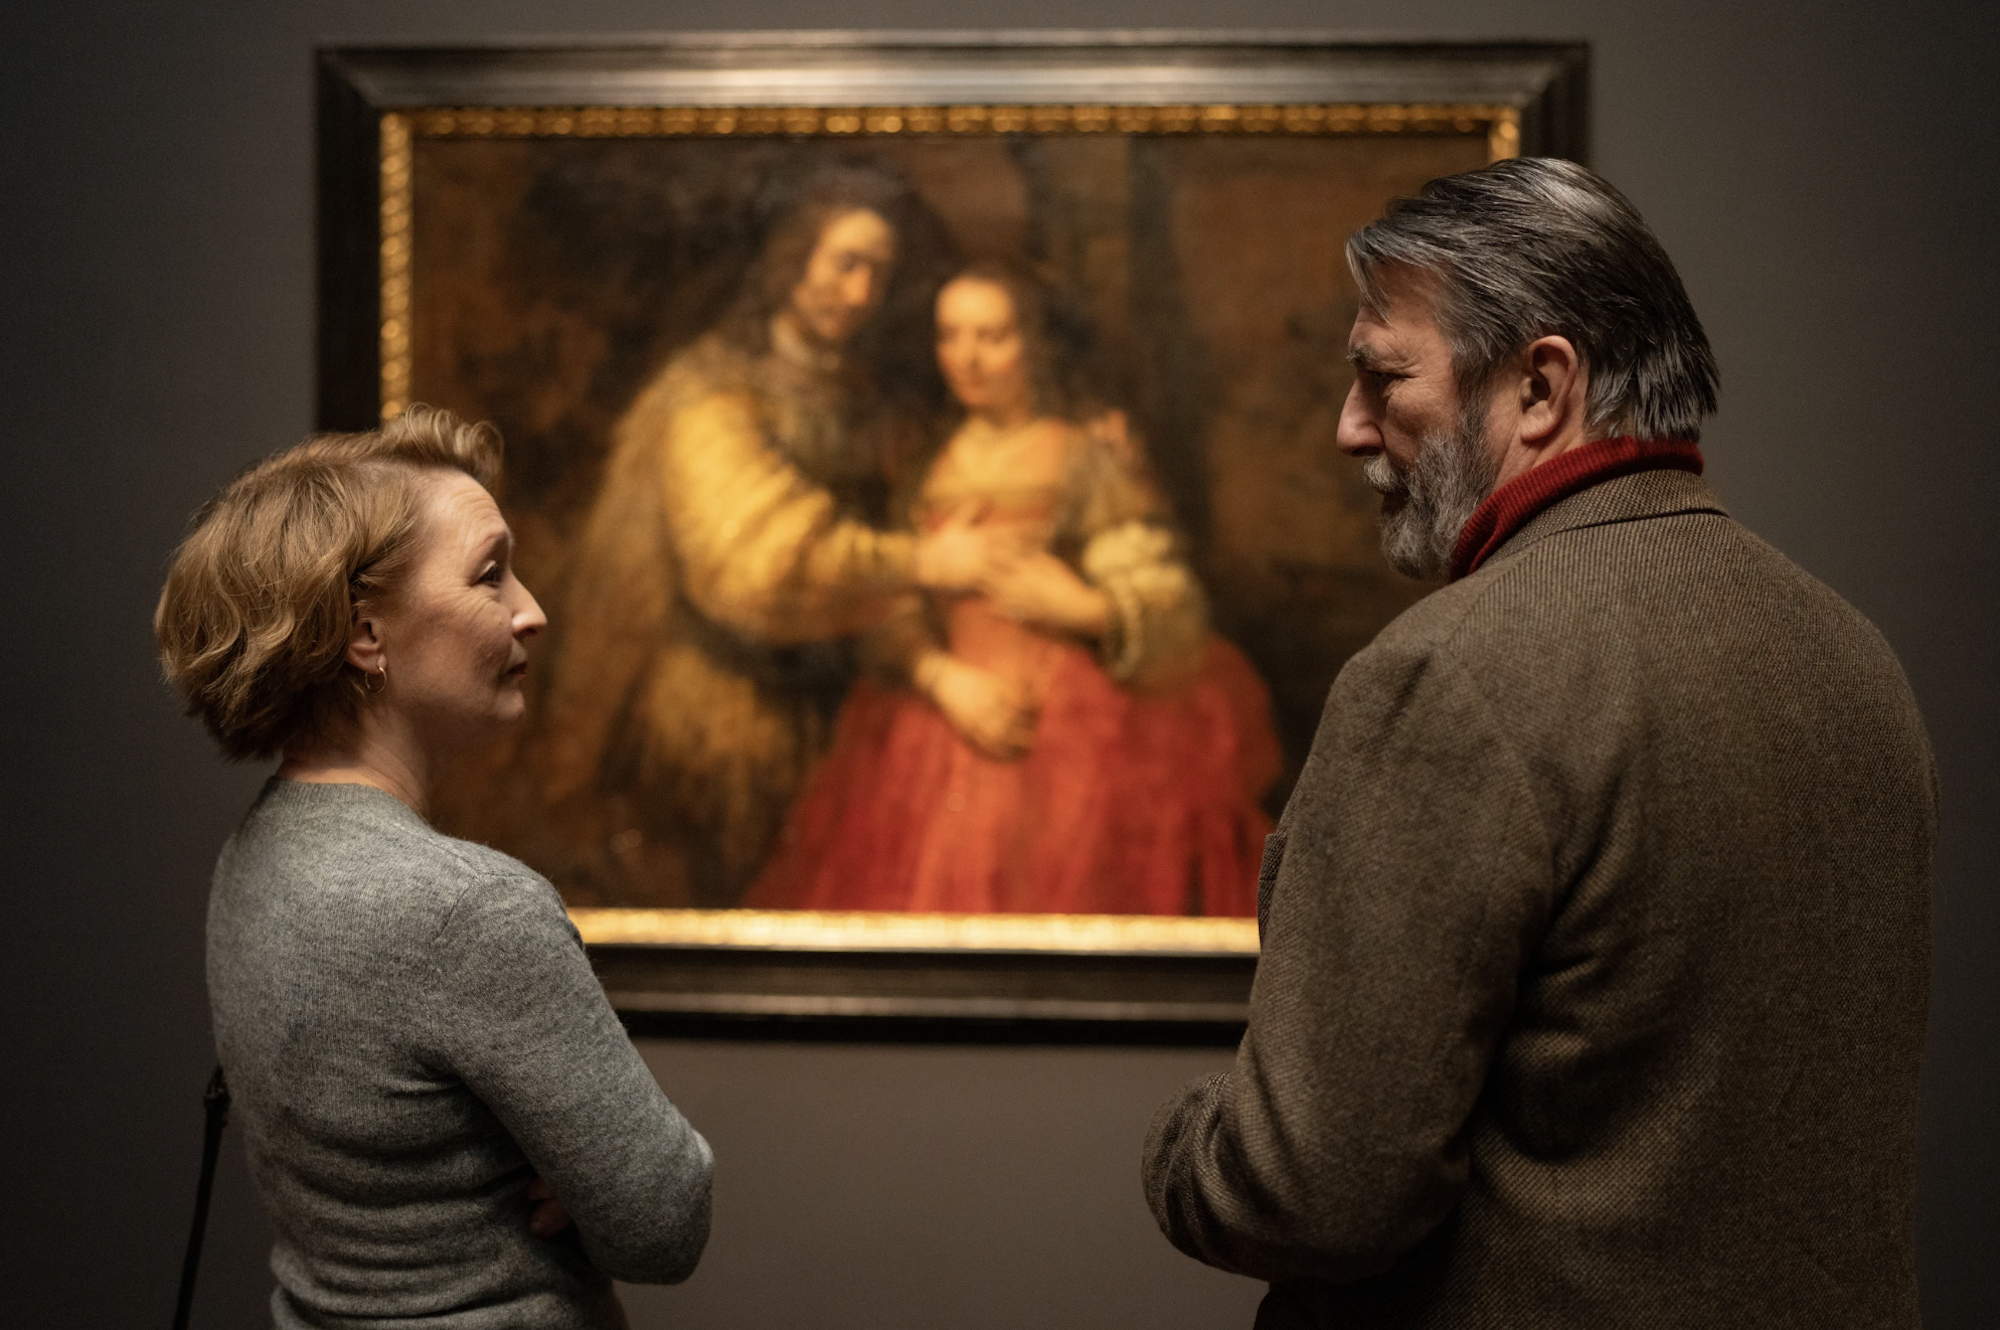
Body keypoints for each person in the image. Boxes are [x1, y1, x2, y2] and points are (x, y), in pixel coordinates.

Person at [1143, 158, 1934, 1327]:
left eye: (1380, 375)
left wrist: (1177, 1150)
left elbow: (1310, 1192)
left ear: (1539, 386)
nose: (1347, 426)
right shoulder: (1852, 651)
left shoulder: (1446, 675)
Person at [155, 408, 712, 1329]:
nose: (530, 608)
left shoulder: (256, 855)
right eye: (489, 573)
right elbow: (665, 1222)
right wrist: (589, 1181)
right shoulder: (468, 910)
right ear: (365, 636)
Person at [746, 261, 1281, 915]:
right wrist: (944, 675)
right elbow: (890, 604)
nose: (966, 358)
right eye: (950, 336)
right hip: (940, 716)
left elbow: (1164, 592)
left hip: (1066, 727)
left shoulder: (1083, 454)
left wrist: (1083, 606)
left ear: (1034, 342)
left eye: (992, 336)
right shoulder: (924, 462)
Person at [533, 161, 998, 904]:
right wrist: (925, 559)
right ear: (792, 259)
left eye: (879, 274)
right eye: (846, 264)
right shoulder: (709, 395)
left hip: (841, 719)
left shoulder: (870, 401)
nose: (861, 294)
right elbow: (759, 568)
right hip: (722, 725)